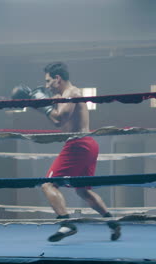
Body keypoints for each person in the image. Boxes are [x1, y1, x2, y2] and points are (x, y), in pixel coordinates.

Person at [11, 62, 121, 242]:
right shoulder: (62, 94)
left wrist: (41, 104)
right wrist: (38, 103)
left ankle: (66, 223)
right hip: (88, 143)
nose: (46, 85)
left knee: (48, 184)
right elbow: (56, 117)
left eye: (48, 81)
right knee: (83, 191)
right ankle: (113, 223)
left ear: (57, 78)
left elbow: (59, 119)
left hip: (78, 144)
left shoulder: (72, 93)